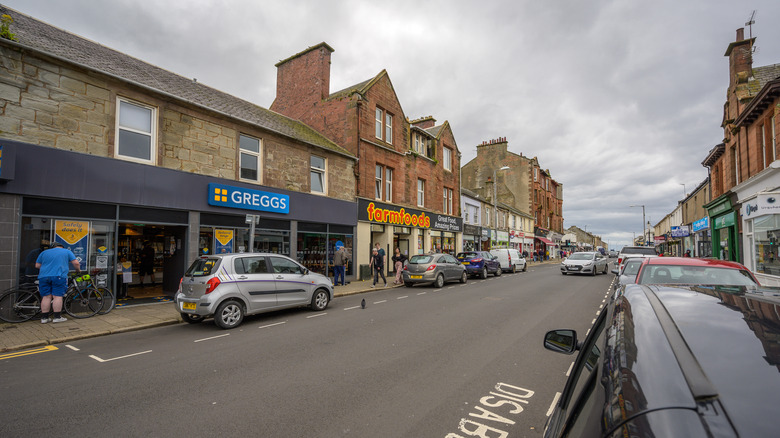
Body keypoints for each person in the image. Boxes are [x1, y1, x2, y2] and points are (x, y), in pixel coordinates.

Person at [35, 241, 80, 323]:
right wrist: (78, 270)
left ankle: (44, 318)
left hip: (44, 277)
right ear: (61, 247)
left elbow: (37, 265)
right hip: (58, 276)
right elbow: (76, 263)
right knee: (57, 296)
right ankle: (57, 317)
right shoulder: (66, 251)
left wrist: (48, 268)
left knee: (46, 297)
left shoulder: (44, 252)